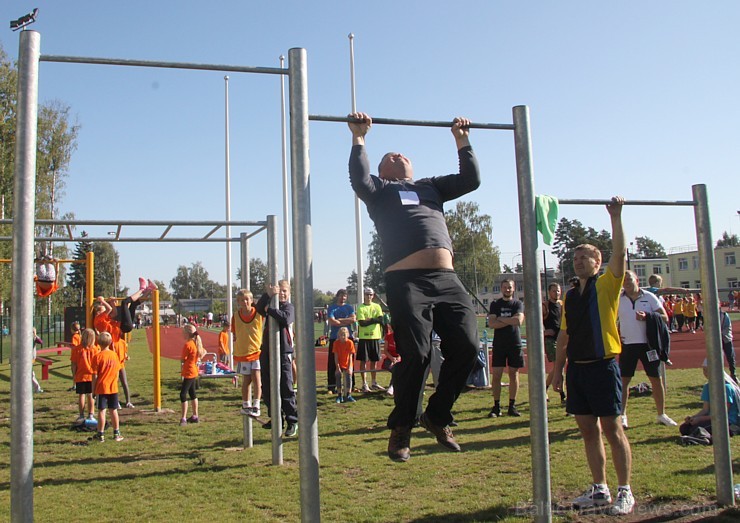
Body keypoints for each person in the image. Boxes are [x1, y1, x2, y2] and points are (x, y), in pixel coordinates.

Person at [348, 112, 480, 462]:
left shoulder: (431, 186)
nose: (398, 155)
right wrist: (359, 137)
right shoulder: (379, 191)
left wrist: (461, 139)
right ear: (383, 170)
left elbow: (471, 180)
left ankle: (436, 416)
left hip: (447, 280)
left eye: (403, 154)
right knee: (418, 354)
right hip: (407, 281)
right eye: (389, 156)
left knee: (468, 347)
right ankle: (401, 428)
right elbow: (359, 179)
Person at [551, 197, 635, 516]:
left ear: (598, 262)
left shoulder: (609, 284)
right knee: (588, 430)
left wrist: (616, 217)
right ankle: (600, 488)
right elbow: (563, 336)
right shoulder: (570, 296)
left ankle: (625, 490)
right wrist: (558, 371)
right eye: (576, 257)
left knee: (613, 429)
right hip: (578, 370)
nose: (579, 261)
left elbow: (619, 253)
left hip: (603, 367)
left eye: (585, 257)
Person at [617, 270, 677, 429]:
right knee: (624, 380)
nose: (627, 283)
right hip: (628, 345)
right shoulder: (619, 299)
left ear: (636, 280)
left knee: (655, 379)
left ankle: (661, 414)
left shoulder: (649, 297)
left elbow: (665, 317)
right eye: (624, 280)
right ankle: (622, 415)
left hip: (648, 345)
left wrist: (648, 316)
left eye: (629, 279)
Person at [256, 280, 299, 437]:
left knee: (285, 386)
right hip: (267, 350)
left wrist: (271, 310)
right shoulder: (270, 304)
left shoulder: (289, 307)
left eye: (284, 291)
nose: (281, 293)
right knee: (266, 386)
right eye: (279, 290)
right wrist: (267, 295)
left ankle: (292, 420)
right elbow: (259, 308)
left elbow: (286, 318)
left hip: (283, 351)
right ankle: (276, 417)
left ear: (289, 293)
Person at [488, 279, 525, 418]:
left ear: (513, 288)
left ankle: (512, 405)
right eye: (504, 287)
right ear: (501, 289)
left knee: (513, 374)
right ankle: (496, 406)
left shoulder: (518, 303)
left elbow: (518, 321)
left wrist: (501, 319)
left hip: (514, 343)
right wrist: (509, 320)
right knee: (497, 374)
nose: (507, 289)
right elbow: (492, 324)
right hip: (499, 344)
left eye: (509, 287)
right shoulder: (495, 304)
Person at [679, 359, 740, 437]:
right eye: (704, 370)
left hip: (726, 421)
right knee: (684, 428)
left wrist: (701, 419)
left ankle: (732, 429)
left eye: (708, 370)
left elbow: (722, 413)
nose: (705, 373)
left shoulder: (726, 388)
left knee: (699, 429)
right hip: (711, 418)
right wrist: (693, 417)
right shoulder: (707, 386)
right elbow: (705, 409)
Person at [231, 289, 264, 417]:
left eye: (247, 299)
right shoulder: (236, 316)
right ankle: (246, 404)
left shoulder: (258, 314)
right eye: (241, 300)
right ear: (238, 302)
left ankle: (256, 404)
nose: (244, 302)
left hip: (256, 351)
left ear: (251, 300)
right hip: (243, 353)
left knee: (256, 378)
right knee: (246, 380)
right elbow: (235, 333)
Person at [91, 332, 123, 442]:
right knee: (113, 410)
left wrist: (93, 389)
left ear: (98, 342)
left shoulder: (97, 357)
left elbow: (94, 375)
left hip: (101, 387)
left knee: (101, 410)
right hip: (113, 386)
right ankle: (116, 432)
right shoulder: (114, 355)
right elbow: (117, 372)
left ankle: (100, 434)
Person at [327, 289, 356, 395]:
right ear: (337, 296)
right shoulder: (332, 308)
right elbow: (332, 321)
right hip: (335, 337)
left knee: (350, 361)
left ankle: (350, 386)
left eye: (344, 296)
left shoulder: (349, 307)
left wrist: (340, 320)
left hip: (348, 338)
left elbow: (353, 320)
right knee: (333, 362)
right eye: (341, 296)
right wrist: (345, 320)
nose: (342, 298)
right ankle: (331, 386)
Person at [356, 287, 385, 392]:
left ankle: (374, 382)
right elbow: (362, 323)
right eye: (367, 294)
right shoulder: (361, 308)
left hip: (375, 337)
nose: (369, 296)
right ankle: (364, 383)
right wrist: (375, 320)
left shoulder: (377, 306)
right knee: (363, 361)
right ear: (364, 295)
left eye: (370, 294)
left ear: (373, 296)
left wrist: (371, 319)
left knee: (374, 360)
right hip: (364, 337)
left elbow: (381, 320)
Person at [543, 282, 565, 403]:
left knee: (559, 367)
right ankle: (562, 395)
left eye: (558, 291)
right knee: (558, 365)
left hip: (561, 338)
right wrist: (545, 332)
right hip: (550, 340)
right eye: (553, 291)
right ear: (549, 292)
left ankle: (545, 389)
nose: (556, 293)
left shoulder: (562, 305)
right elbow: (537, 323)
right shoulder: (545, 306)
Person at [72, 328, 99, 424]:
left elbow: (74, 363)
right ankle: (91, 414)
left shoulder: (77, 349)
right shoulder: (95, 349)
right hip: (92, 375)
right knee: (91, 395)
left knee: (81, 395)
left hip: (80, 375)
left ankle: (81, 414)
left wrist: (74, 375)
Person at [179, 324, 203, 426]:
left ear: (187, 333)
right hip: (193, 370)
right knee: (192, 393)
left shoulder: (188, 344)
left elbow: (183, 358)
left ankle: (183, 418)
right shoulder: (195, 343)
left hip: (189, 371)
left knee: (183, 394)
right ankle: (195, 415)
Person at [332, 326, 357, 404]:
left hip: (347, 363)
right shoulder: (336, 343)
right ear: (338, 335)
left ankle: (348, 395)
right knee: (338, 375)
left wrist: (350, 367)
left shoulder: (350, 343)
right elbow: (336, 356)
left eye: (344, 335)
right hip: (339, 363)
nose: (343, 337)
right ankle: (339, 395)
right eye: (341, 335)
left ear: (347, 335)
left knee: (349, 376)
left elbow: (350, 356)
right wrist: (337, 367)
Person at [382, 323, 400, 397]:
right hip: (389, 358)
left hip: (399, 358)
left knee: (397, 368)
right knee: (394, 369)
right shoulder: (388, 336)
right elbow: (385, 351)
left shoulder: (401, 337)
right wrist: (392, 359)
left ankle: (392, 387)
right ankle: (393, 387)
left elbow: (403, 351)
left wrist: (397, 359)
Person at [720, 306, 737, 383]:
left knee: (730, 357)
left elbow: (727, 327)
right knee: (717, 358)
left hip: (726, 339)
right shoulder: (710, 316)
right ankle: (719, 375)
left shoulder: (724, 315)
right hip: (716, 341)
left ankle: (733, 375)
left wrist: (721, 334)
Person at [68, 321, 82, 391]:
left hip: (75, 357)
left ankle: (75, 385)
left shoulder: (74, 336)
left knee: (74, 372)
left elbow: (74, 346)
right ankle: (76, 385)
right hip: (79, 356)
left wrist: (69, 346)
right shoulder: (79, 336)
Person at [31, 328, 43, 393]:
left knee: (30, 374)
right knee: (31, 374)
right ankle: (37, 388)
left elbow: (40, 342)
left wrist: (35, 335)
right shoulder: (25, 337)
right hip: (25, 359)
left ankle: (37, 388)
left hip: (31, 359)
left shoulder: (34, 337)